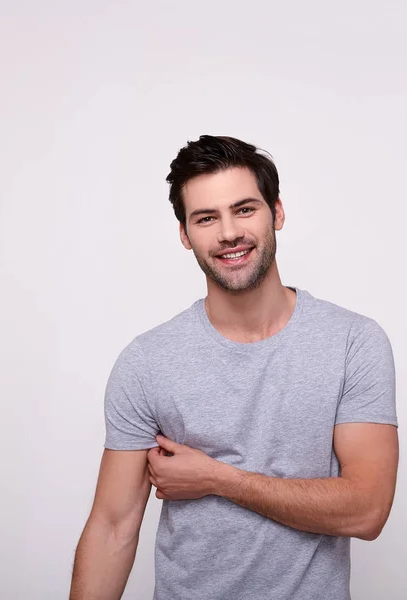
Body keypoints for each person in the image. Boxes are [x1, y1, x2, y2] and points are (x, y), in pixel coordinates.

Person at [69, 135, 399, 600]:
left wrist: (218, 479)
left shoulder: (353, 343)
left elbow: (366, 511)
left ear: (277, 213)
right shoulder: (146, 362)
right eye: (206, 218)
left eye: (244, 209)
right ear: (185, 235)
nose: (228, 233)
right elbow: (112, 528)